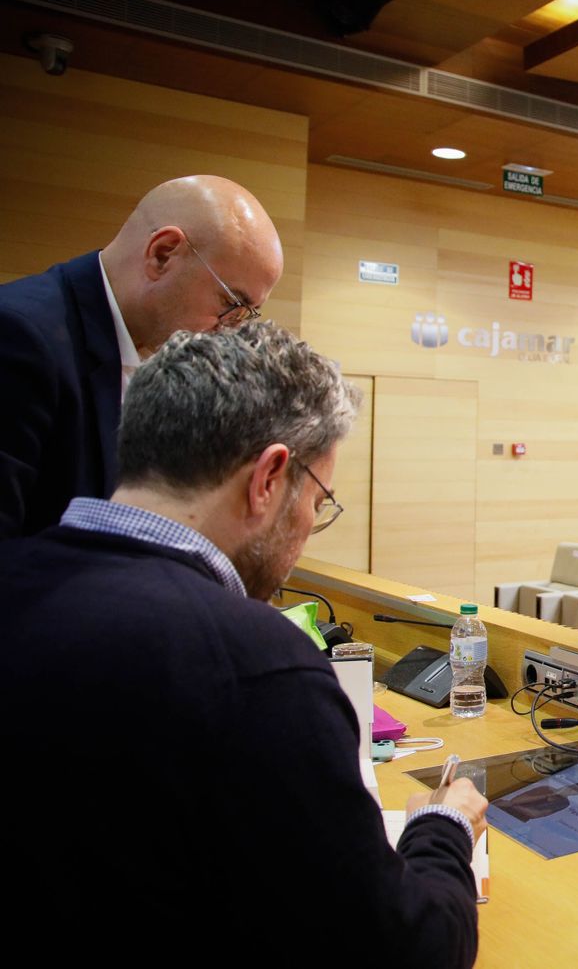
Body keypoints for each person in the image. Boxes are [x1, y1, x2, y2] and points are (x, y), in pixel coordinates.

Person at [0, 322, 486, 964]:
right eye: (319, 500)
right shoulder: (256, 666)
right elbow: (408, 950)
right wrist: (442, 829)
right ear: (268, 479)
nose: (311, 525)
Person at [0, 174, 284, 539]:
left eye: (247, 314)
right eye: (231, 303)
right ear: (163, 254)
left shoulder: (157, 353)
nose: (230, 328)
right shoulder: (20, 337)